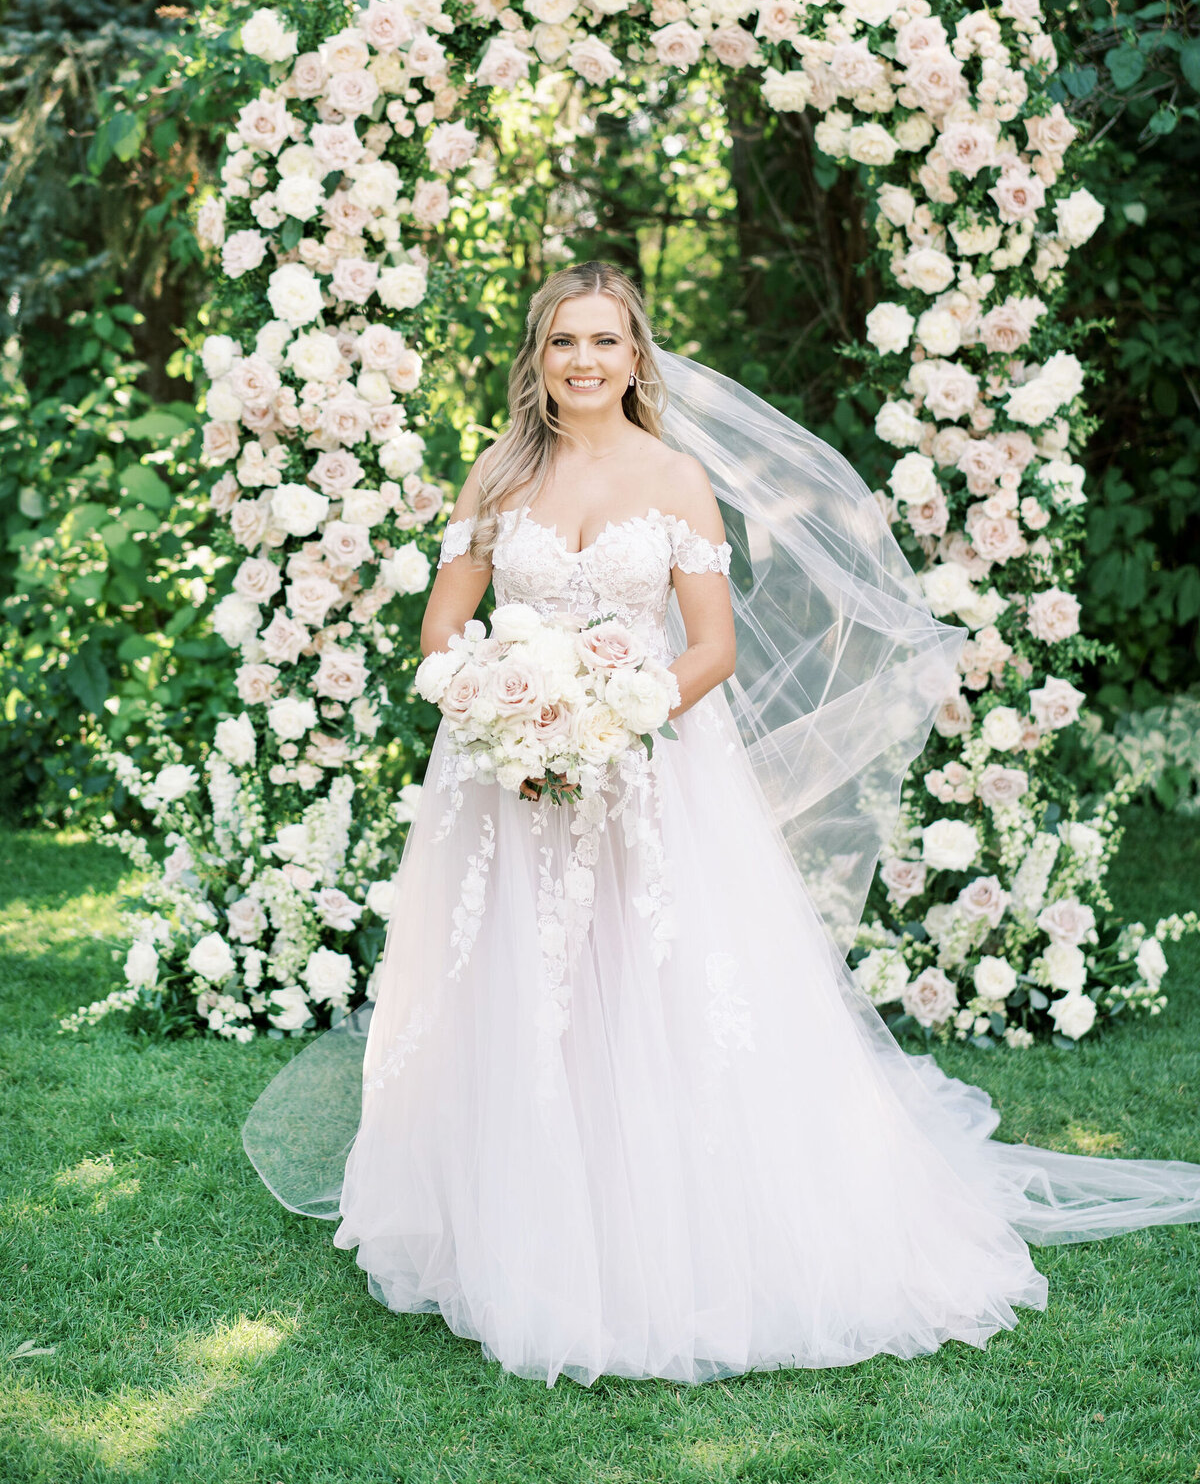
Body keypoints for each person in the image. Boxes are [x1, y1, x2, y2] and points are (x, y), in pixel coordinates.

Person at [243, 260, 1200, 1388]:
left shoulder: (677, 478)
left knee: (658, 983)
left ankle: (669, 1217)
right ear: (537, 362)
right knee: (523, 981)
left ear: (637, 358)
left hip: (649, 769)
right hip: (509, 778)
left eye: (604, 342)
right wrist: (511, 702)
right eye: (563, 344)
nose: (584, 362)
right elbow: (442, 633)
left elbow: (712, 648)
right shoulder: (497, 477)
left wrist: (609, 716)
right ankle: (521, 1212)